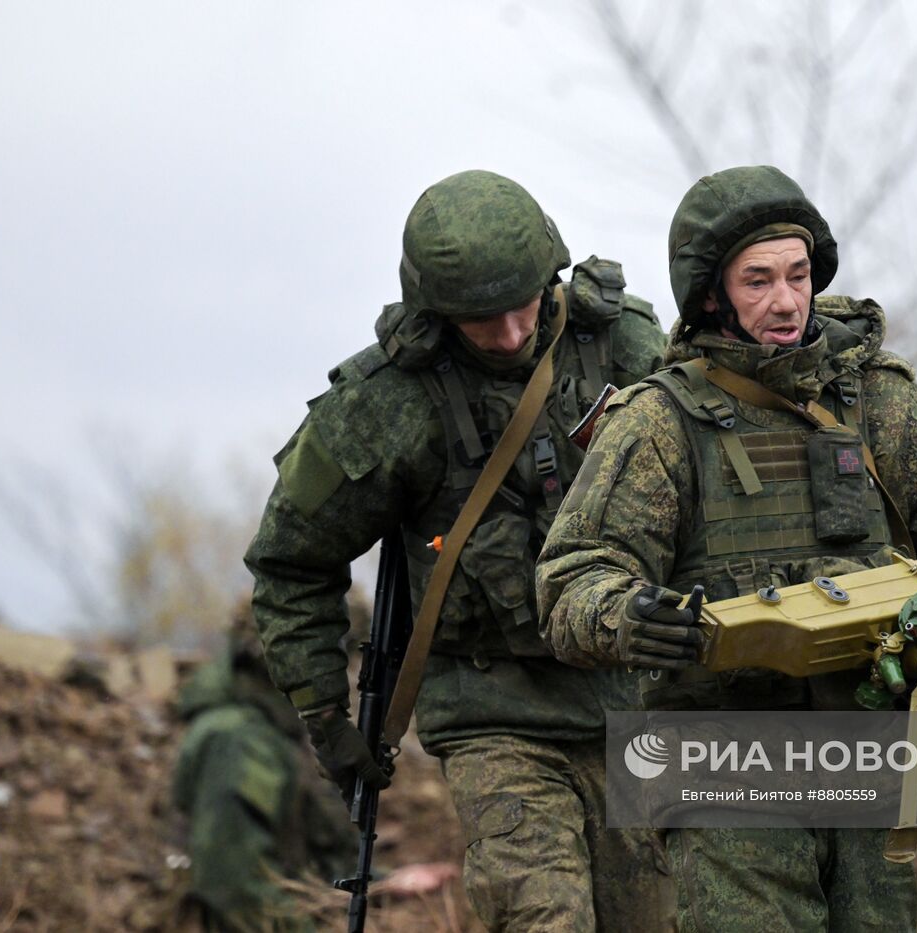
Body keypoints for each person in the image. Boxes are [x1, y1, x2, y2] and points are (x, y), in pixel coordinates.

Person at [535, 164, 917, 932]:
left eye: (798, 274)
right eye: (757, 281)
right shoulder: (660, 421)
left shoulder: (869, 395)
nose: (785, 300)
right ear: (712, 293)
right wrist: (633, 614)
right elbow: (574, 577)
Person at [244, 170, 674, 931]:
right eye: (482, 320)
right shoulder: (385, 406)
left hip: (634, 704)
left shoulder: (625, 347)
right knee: (549, 917)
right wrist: (324, 713)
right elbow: (291, 561)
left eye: (523, 307)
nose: (510, 336)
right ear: (436, 312)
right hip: (494, 713)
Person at [172, 609, 356, 933]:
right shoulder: (237, 739)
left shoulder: (275, 731)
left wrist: (387, 886)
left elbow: (313, 866)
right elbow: (234, 884)